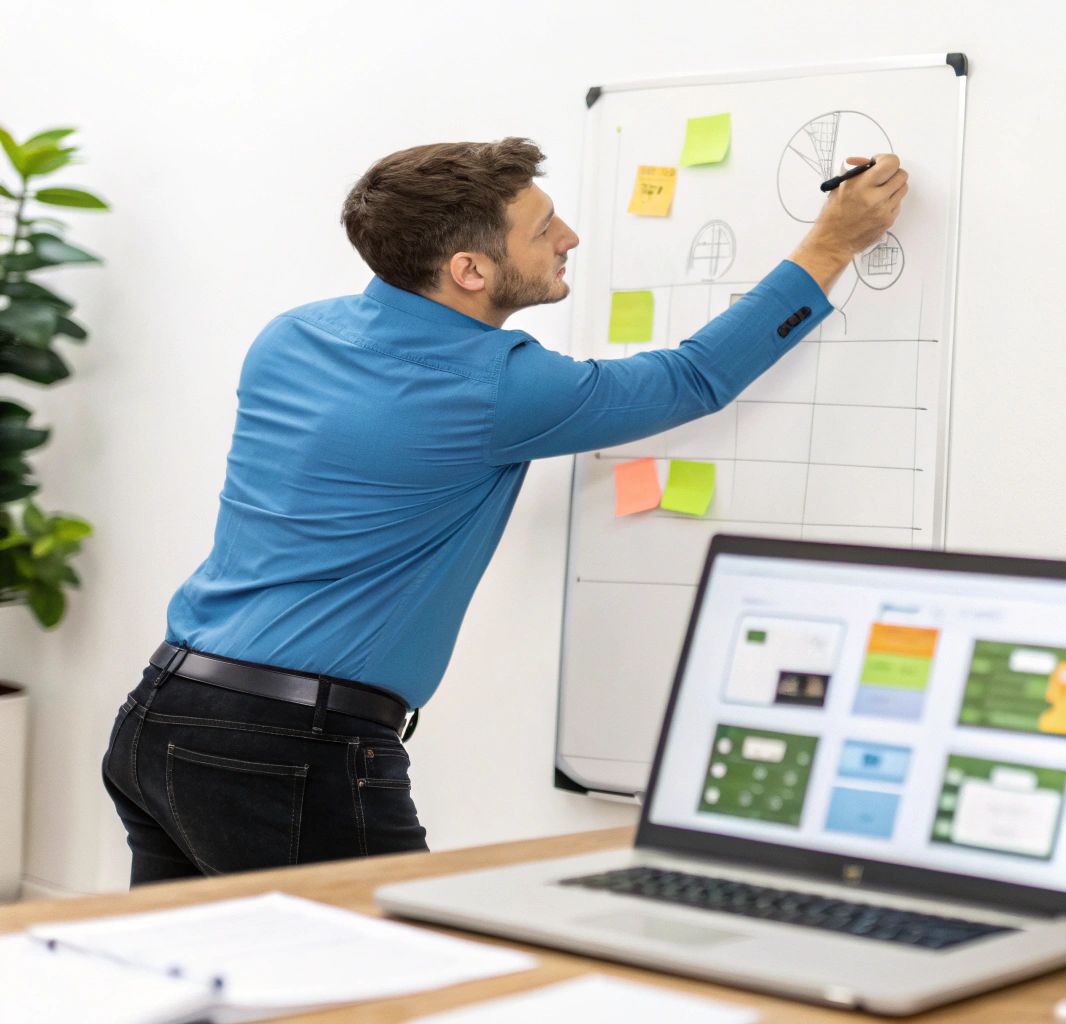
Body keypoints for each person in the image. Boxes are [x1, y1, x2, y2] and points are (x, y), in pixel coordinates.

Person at [100, 138, 907, 884]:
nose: (570, 240)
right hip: (287, 746)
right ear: (470, 270)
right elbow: (693, 378)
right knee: (405, 991)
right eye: (543, 228)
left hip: (159, 714)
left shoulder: (291, 337)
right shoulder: (498, 386)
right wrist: (830, 245)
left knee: (196, 983)